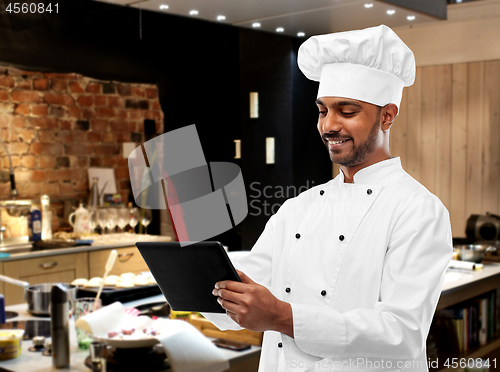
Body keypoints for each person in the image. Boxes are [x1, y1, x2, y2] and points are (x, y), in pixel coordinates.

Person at [203, 24, 453, 372]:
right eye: (322, 111)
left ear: (387, 115)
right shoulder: (298, 208)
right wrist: (199, 282)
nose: (328, 125)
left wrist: (281, 316)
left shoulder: (417, 210)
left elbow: (403, 333)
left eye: (346, 111)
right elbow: (244, 289)